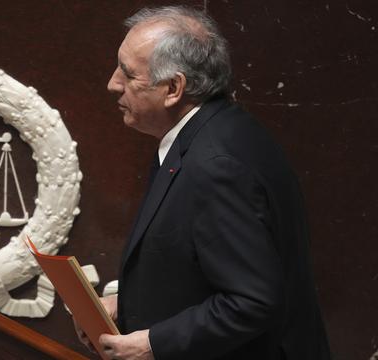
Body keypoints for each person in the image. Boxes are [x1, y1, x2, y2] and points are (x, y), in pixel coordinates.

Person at [74, 5, 331, 360]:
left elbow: (250, 301)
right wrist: (128, 304)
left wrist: (153, 344)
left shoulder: (216, 165)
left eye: (129, 75)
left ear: (173, 88)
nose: (113, 83)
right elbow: (199, 267)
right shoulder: (211, 132)